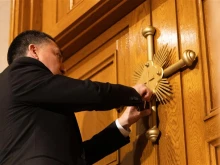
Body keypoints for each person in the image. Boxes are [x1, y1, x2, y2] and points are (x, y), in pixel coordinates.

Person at [0, 30, 152, 165]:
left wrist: (123, 123)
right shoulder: (19, 73)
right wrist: (132, 93)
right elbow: (88, 92)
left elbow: (76, 158)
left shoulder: (25, 104)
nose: (64, 68)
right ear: (34, 50)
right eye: (58, 55)